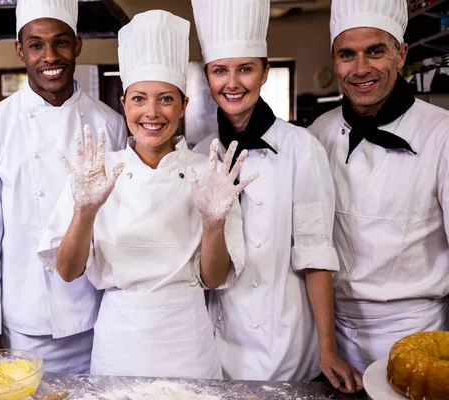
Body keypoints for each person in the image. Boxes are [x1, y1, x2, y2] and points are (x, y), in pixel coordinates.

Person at [37, 9, 253, 379]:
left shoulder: (208, 172)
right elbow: (68, 271)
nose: (151, 112)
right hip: (120, 337)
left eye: (166, 99)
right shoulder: (96, 172)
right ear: (124, 104)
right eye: (139, 98)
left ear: (184, 105)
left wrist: (213, 223)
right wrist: (85, 212)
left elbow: (214, 279)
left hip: (187, 336)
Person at [191, 0, 362, 392]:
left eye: (246, 69)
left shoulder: (301, 147)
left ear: (265, 71)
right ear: (207, 77)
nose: (232, 83)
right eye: (220, 71)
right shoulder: (200, 154)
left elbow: (316, 253)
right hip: (216, 346)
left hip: (285, 345)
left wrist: (328, 350)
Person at [0, 0, 127, 373]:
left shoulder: (110, 123)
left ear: (78, 45)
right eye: (36, 44)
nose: (49, 55)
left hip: (102, 316)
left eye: (61, 42)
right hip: (25, 321)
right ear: (20, 50)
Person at [309, 0, 449, 373]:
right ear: (334, 60)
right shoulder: (317, 135)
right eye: (347, 55)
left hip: (418, 333)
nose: (360, 69)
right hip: (332, 339)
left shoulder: (442, 133)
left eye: (375, 52)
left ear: (401, 54)